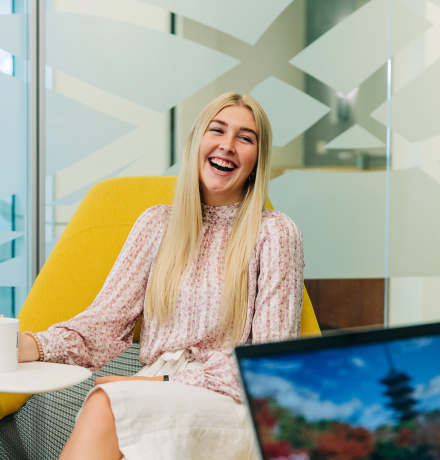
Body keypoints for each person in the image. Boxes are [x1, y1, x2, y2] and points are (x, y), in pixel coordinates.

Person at [18, 93, 304, 460]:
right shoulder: (156, 224)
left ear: (257, 160)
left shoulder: (275, 233)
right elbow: (103, 326)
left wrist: (165, 381)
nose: (227, 145)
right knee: (108, 406)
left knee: (105, 404)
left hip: (236, 401)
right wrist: (30, 346)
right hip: (156, 389)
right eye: (217, 130)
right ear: (197, 142)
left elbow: (271, 364)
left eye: (245, 138)